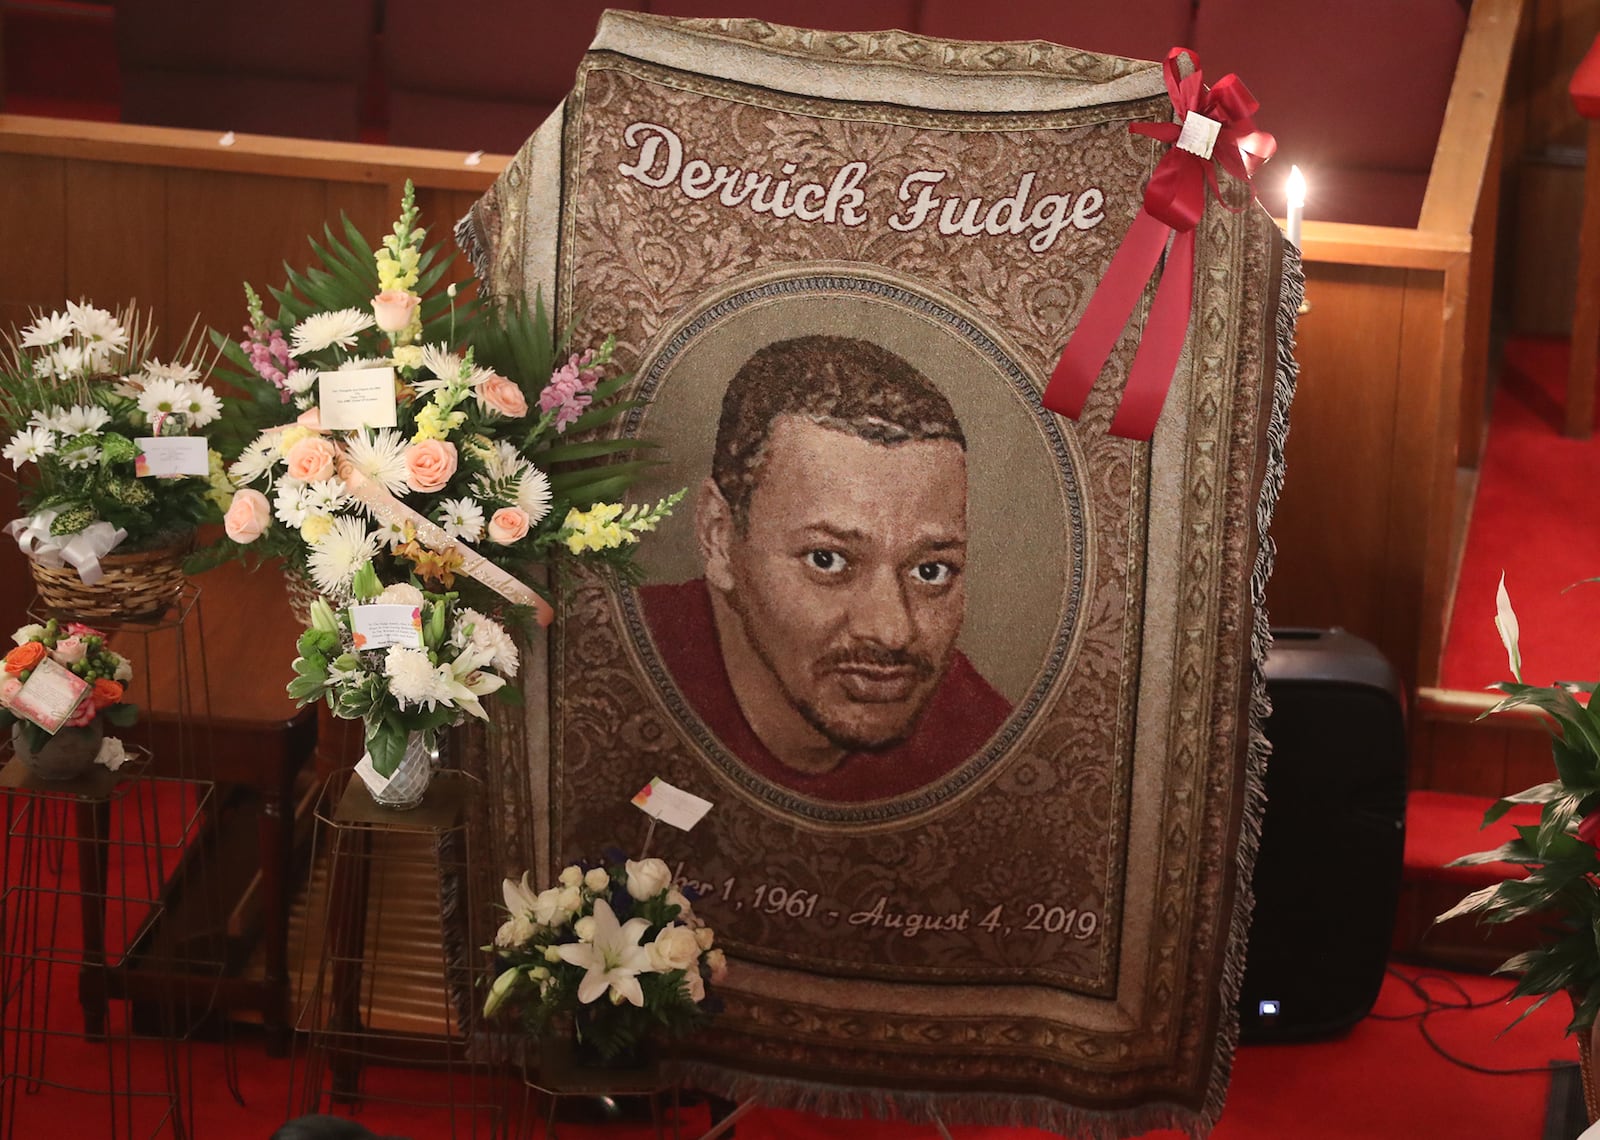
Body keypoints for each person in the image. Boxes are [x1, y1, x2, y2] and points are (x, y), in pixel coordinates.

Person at [639, 334, 1012, 803]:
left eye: (930, 571)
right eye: (828, 560)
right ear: (719, 537)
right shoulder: (618, 680)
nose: (892, 631)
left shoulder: (982, 745)